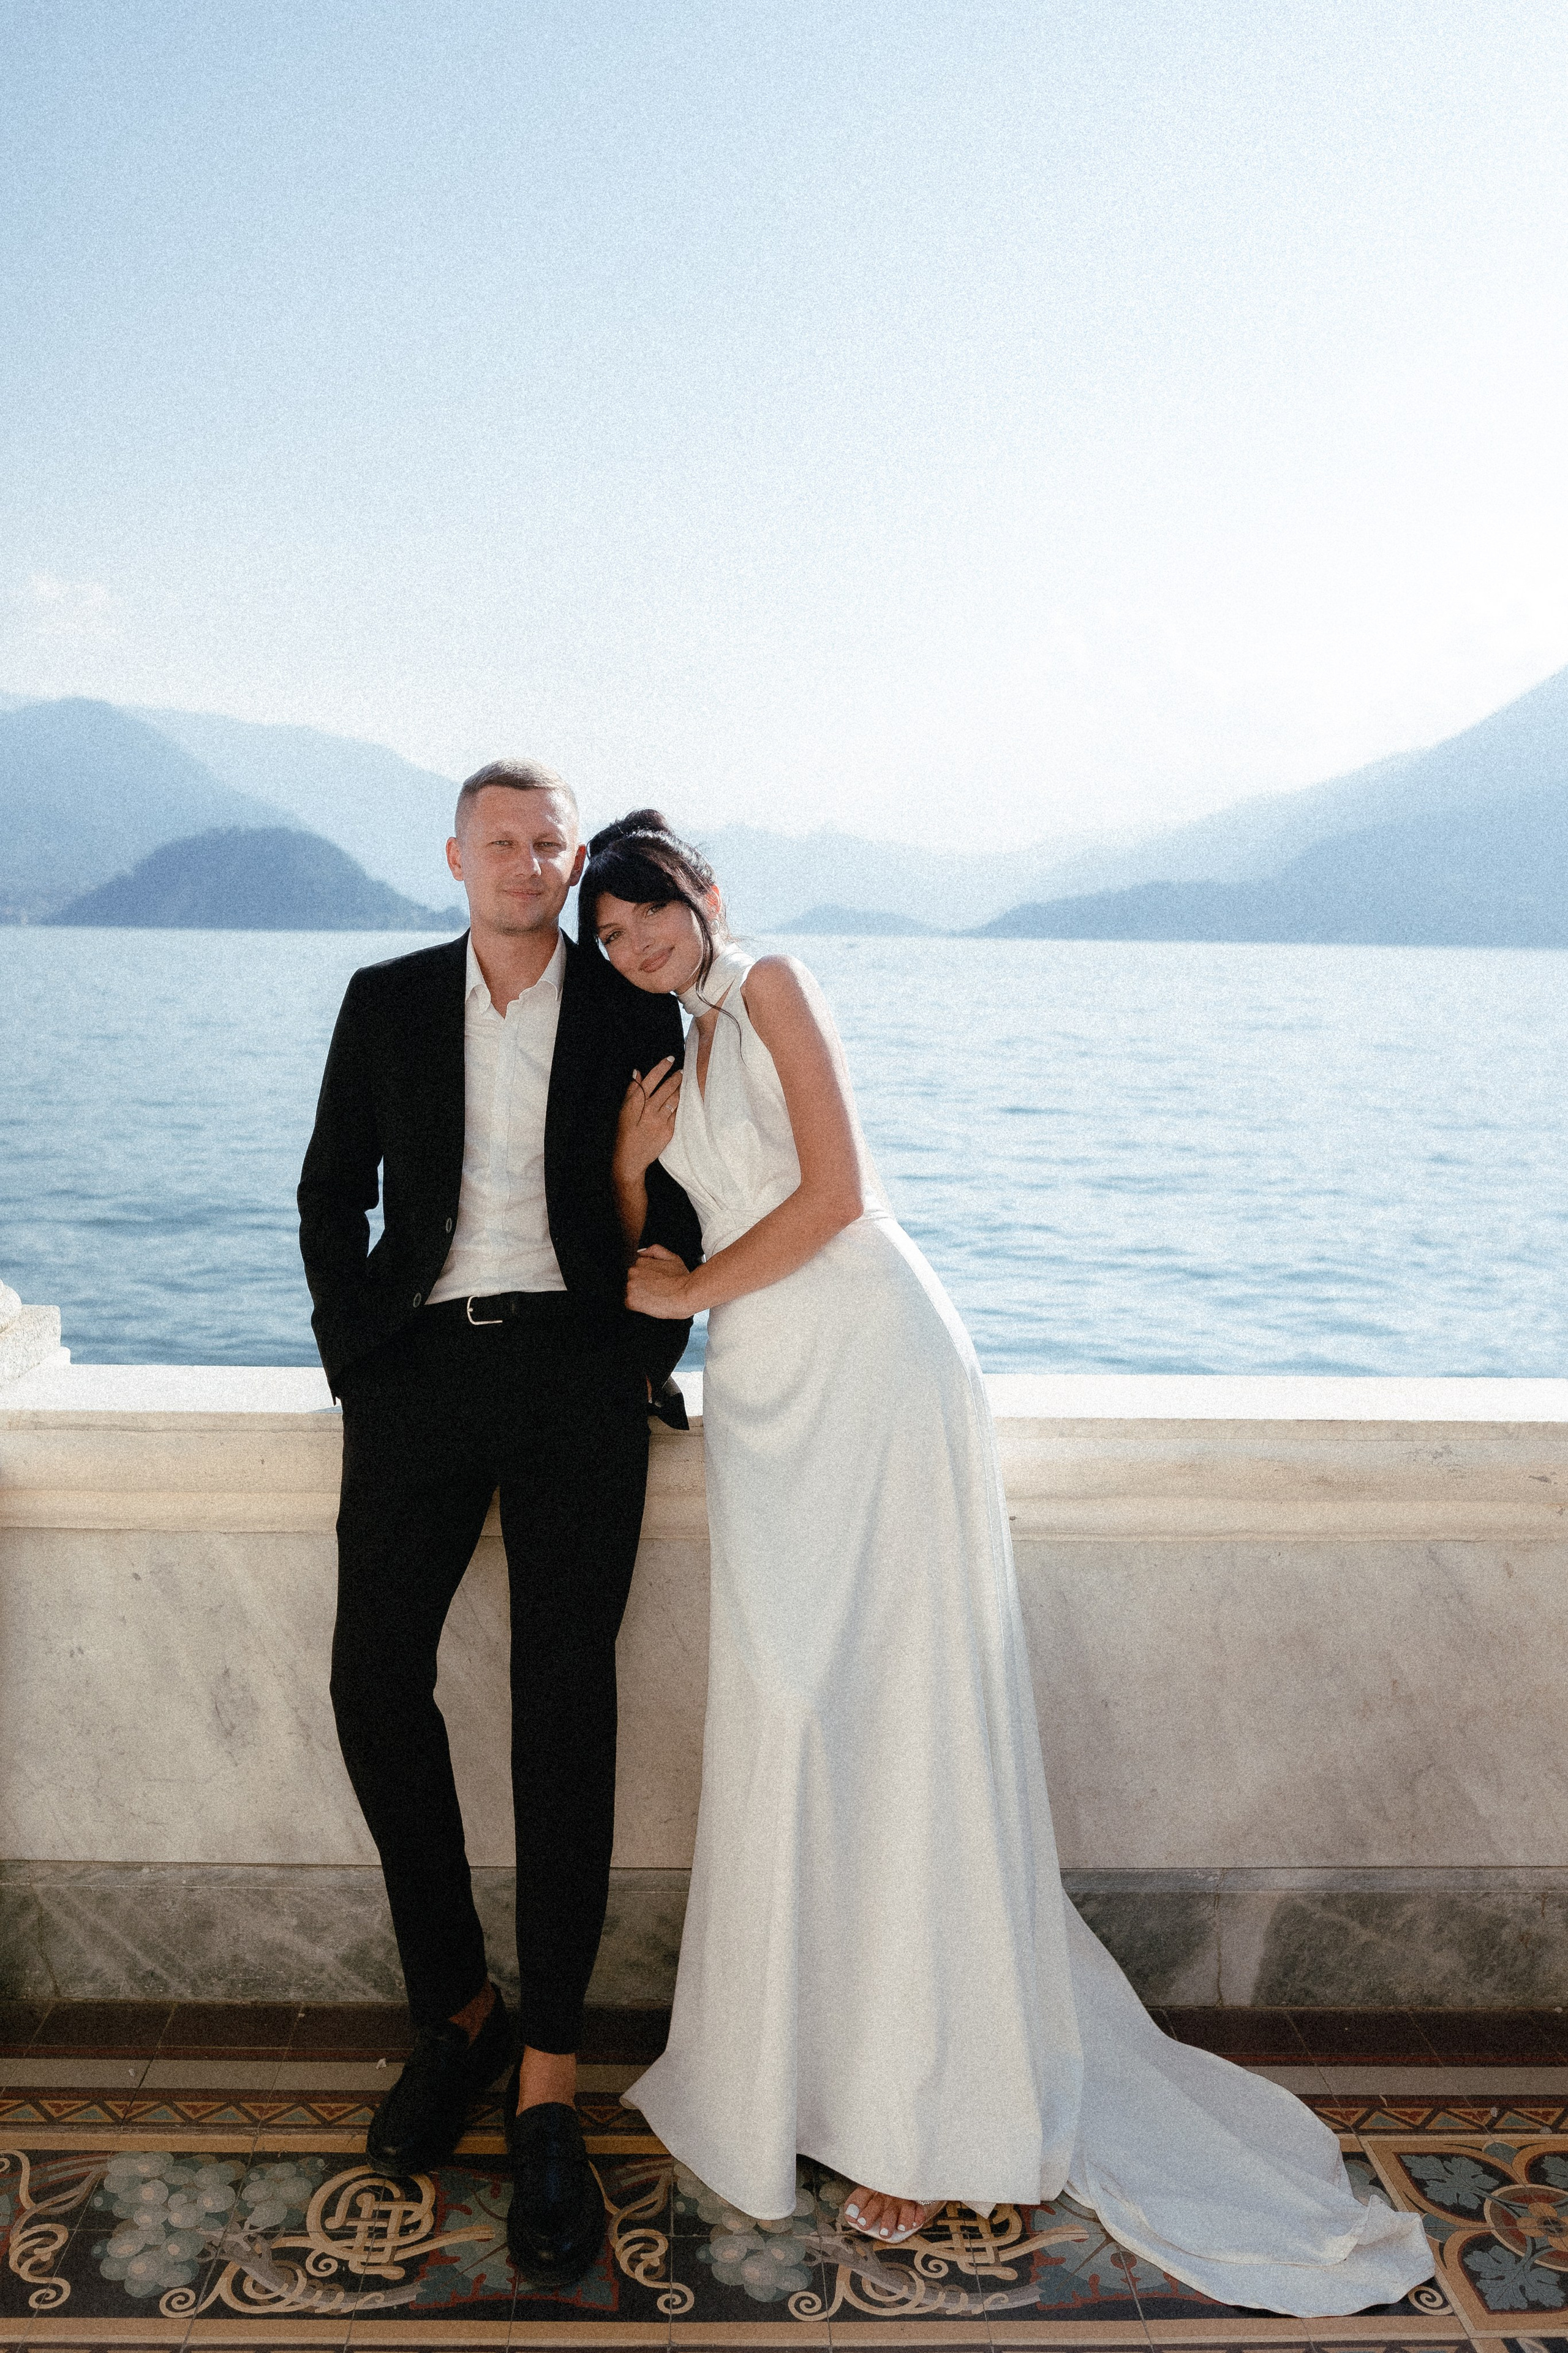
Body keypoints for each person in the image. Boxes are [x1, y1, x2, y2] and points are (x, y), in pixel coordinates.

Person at [577, 809, 1435, 2317]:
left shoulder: (770, 984)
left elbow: (836, 1196)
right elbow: (652, 1248)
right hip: (769, 1396)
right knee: (791, 1710)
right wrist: (634, 1173)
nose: (636, 942)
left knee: (898, 1717)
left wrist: (691, 1287)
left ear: (705, 893)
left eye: (651, 910)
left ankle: (934, 2109)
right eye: (610, 933)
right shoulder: (683, 1043)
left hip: (870, 1363)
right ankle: (796, 2072)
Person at [298, 763, 701, 2287]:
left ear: (575, 861)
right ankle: (455, 2006)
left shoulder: (633, 1011)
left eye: (550, 843)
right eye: (502, 842)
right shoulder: (385, 999)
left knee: (561, 1706)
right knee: (370, 1679)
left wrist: (638, 1352)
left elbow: (685, 1216)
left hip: (576, 1376)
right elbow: (329, 1193)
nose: (527, 863)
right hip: (418, 1372)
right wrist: (358, 1354)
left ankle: (545, 2073)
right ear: (455, 858)